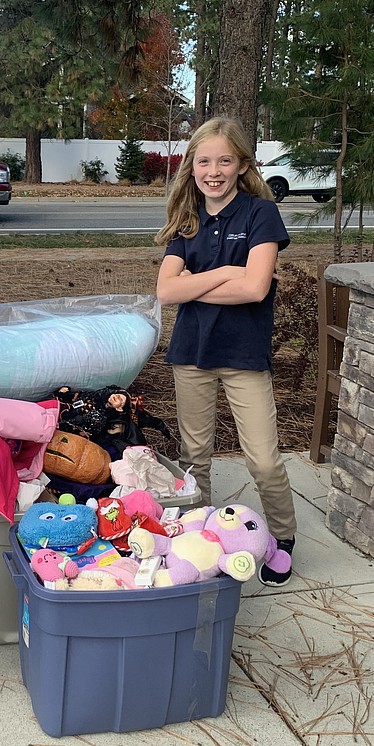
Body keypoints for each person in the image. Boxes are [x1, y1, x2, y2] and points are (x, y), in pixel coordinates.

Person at [154, 117, 297, 586]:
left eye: (224, 161)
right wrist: (224, 274)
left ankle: (282, 539)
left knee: (263, 459)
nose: (213, 170)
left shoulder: (260, 215)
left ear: (241, 165)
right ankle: (202, 538)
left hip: (244, 355)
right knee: (196, 456)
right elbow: (166, 292)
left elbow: (256, 289)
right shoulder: (187, 219)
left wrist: (197, 283)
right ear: (191, 166)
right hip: (191, 354)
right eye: (204, 161)